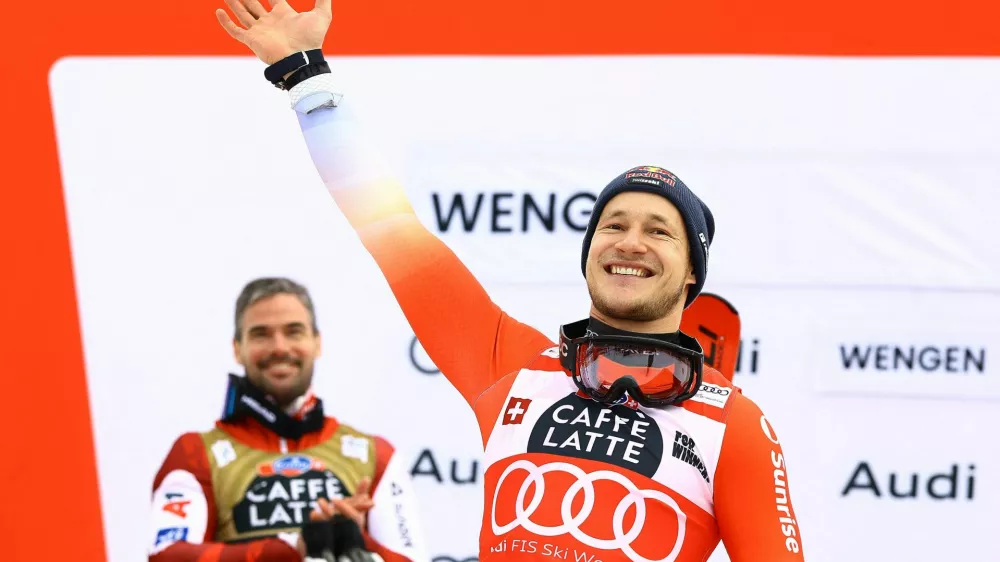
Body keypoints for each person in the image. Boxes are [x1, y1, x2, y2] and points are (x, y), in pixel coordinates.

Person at [216, 1, 807, 561]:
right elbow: (389, 227)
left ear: (690, 278)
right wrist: (305, 78)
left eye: (659, 232)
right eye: (613, 225)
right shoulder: (511, 363)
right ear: (589, 253)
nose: (630, 242)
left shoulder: (736, 425)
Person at [148, 277, 429, 562]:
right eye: (261, 334)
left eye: (294, 332)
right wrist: (291, 547)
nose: (280, 347)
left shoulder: (375, 455)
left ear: (317, 343)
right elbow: (166, 556)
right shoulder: (195, 453)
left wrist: (353, 539)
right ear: (237, 348)